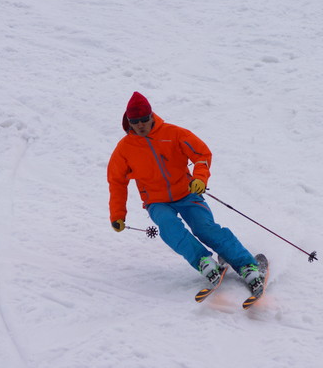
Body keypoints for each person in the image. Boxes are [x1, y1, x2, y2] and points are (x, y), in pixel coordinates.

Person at [107, 91, 263, 291]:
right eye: (135, 121)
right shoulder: (124, 149)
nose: (141, 125)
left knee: (204, 227)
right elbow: (116, 181)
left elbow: (201, 154)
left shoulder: (174, 134)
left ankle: (247, 265)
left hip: (187, 192)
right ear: (129, 121)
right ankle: (204, 262)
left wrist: (199, 178)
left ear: (151, 115)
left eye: (144, 119)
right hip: (156, 201)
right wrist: (117, 215)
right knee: (169, 226)